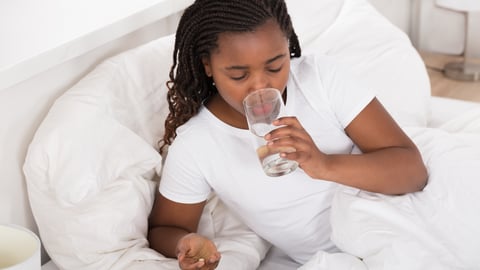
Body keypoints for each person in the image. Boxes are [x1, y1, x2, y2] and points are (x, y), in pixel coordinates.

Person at [148, 0, 428, 269]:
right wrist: (186, 243)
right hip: (335, 258)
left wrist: (324, 164)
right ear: (207, 65)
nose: (260, 86)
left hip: (404, 222)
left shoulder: (319, 79)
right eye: (238, 75)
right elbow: (167, 228)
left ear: (288, 47)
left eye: (275, 66)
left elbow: (413, 172)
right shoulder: (197, 143)